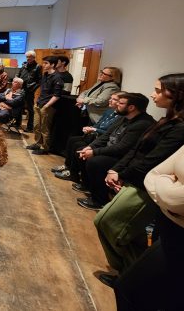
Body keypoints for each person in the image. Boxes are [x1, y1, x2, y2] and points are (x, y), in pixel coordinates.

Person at [93, 74, 184, 281]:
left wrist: (123, 174)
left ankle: (130, 274)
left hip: (144, 186)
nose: (154, 94)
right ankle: (129, 271)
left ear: (177, 94)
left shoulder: (179, 128)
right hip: (137, 178)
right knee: (125, 231)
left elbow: (154, 159)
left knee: (107, 222)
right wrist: (116, 170)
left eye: (159, 90)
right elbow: (137, 149)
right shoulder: (167, 119)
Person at [113, 144, 184, 311]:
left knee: (129, 291)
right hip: (168, 228)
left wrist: (169, 182)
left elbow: (175, 200)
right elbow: (153, 175)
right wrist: (170, 188)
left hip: (179, 239)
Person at [73, 93, 155, 209]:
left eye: (121, 103)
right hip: (111, 149)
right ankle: (88, 186)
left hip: (123, 157)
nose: (117, 105)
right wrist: (91, 147)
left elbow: (122, 148)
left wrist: (95, 152)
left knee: (95, 162)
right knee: (82, 150)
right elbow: (106, 135)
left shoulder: (143, 124)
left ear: (131, 107)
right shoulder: (123, 116)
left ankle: (100, 200)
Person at [52, 91, 125, 178]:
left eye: (114, 99)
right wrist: (90, 128)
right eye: (111, 98)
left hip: (102, 140)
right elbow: (98, 124)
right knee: (72, 140)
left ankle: (74, 174)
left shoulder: (121, 117)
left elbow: (109, 133)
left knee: (78, 146)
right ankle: (68, 166)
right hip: (94, 136)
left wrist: (95, 129)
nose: (110, 100)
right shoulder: (109, 111)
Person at [26, 56, 64, 155]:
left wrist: (47, 106)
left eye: (46, 63)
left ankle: (45, 148)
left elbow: (57, 95)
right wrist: (36, 101)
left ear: (53, 65)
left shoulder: (57, 77)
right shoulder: (45, 74)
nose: (44, 65)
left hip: (48, 106)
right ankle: (38, 143)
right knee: (36, 126)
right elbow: (42, 90)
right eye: (43, 63)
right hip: (39, 103)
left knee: (45, 128)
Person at [17, 50, 42, 132]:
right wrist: (17, 81)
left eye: (29, 57)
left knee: (30, 109)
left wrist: (32, 88)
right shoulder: (24, 65)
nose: (28, 59)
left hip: (30, 91)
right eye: (27, 57)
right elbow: (18, 74)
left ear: (34, 58)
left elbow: (39, 81)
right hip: (21, 89)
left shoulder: (38, 67)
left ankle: (30, 127)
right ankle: (17, 123)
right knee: (19, 106)